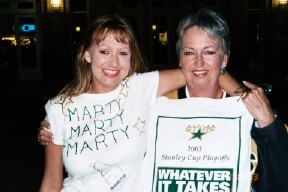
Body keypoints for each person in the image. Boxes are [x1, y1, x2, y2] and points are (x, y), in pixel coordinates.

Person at [38, 14, 242, 192]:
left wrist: (248, 99)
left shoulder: (140, 88)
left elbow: (202, 70)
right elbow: (51, 185)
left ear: (131, 57)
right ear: (86, 54)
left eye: (123, 53)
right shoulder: (60, 108)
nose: (114, 62)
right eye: (104, 51)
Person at [143, 9, 288, 192]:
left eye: (209, 52)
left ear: (225, 58)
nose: (199, 62)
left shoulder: (249, 112)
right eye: (189, 53)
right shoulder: (158, 107)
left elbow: (280, 174)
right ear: (179, 58)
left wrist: (268, 122)